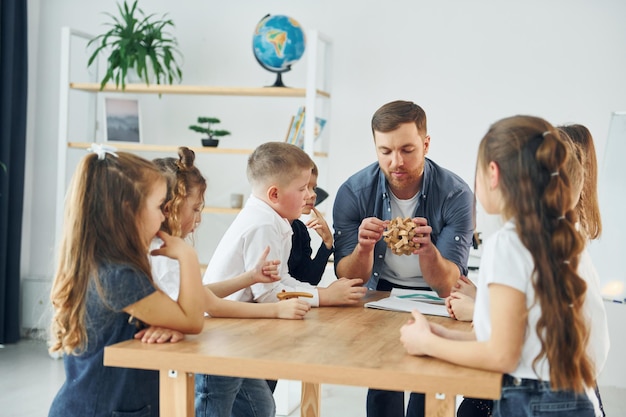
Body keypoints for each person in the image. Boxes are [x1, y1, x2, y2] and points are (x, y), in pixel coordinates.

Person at [400, 115, 601, 417]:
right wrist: (443, 336)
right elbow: (522, 340)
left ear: (492, 173)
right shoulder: (565, 237)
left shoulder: (508, 243)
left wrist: (428, 343)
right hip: (577, 398)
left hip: (532, 403)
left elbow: (502, 355)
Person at [332, 100, 474, 417]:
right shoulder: (353, 192)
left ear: (425, 144)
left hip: (438, 297)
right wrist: (363, 248)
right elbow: (347, 278)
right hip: (381, 291)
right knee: (383, 381)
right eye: (385, 151)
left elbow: (449, 286)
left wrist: (428, 252)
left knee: (429, 384)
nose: (396, 161)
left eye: (407, 150)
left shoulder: (456, 194)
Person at [150, 147, 312, 417]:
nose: (199, 218)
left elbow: (200, 294)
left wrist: (248, 278)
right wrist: (276, 310)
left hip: (224, 336)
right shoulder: (164, 255)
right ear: (170, 209)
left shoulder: (170, 249)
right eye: (196, 209)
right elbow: (210, 305)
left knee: (260, 407)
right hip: (211, 340)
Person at [48, 145, 205, 417]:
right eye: (159, 207)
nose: (164, 216)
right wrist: (187, 255)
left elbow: (178, 318)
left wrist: (168, 325)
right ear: (128, 210)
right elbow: (192, 320)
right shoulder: (117, 276)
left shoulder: (110, 265)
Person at [204, 141, 366, 307]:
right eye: (302, 189)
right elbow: (266, 294)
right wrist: (325, 297)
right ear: (274, 194)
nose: (309, 195)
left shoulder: (276, 220)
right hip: (223, 321)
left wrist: (323, 292)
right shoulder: (263, 224)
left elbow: (281, 279)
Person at [287, 161, 334, 285]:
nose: (313, 195)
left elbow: (308, 281)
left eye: (313, 188)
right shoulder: (269, 227)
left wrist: (327, 243)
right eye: (304, 187)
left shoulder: (300, 229)